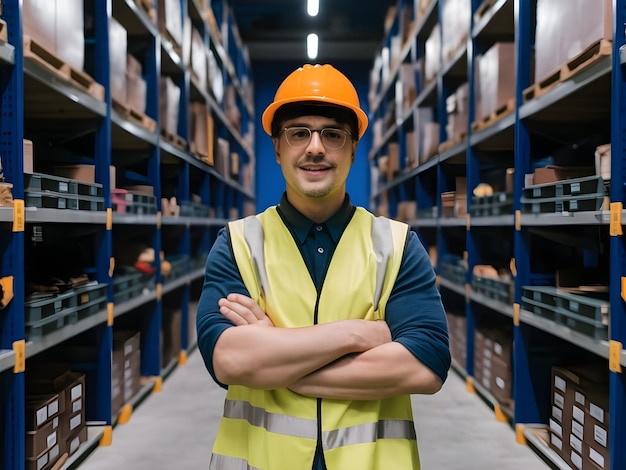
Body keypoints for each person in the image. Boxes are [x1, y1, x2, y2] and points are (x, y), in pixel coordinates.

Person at [196, 63, 451, 470]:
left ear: (352, 148)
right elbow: (229, 361)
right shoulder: (239, 243)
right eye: (298, 133)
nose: (315, 147)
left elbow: (426, 366)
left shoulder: (397, 244)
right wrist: (358, 333)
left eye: (332, 134)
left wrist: (277, 363)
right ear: (277, 147)